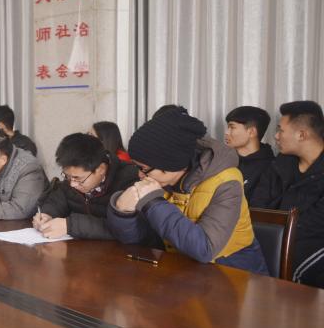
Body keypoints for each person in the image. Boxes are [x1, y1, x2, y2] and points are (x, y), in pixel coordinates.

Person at [106, 107, 268, 275]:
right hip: (183, 272)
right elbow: (144, 242)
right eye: (137, 167)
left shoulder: (227, 181)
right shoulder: (161, 181)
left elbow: (205, 249)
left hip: (235, 275)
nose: (140, 175)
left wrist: (153, 201)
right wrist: (123, 214)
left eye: (144, 168)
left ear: (169, 164)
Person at [250, 101, 324, 286]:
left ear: (301, 134)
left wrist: (276, 238)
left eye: (280, 130)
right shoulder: (280, 164)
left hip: (310, 243)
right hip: (271, 238)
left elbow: (315, 223)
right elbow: (257, 205)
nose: (276, 136)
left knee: (290, 269)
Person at [34, 133, 140, 239]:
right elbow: (57, 200)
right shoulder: (71, 179)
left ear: (101, 169)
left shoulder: (129, 181)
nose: (72, 184)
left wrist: (70, 226)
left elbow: (124, 228)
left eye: (78, 178)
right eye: (67, 176)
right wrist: (47, 214)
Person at [223, 106, 275, 199]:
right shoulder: (222, 161)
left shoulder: (271, 168)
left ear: (251, 132)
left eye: (232, 127)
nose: (226, 132)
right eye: (228, 127)